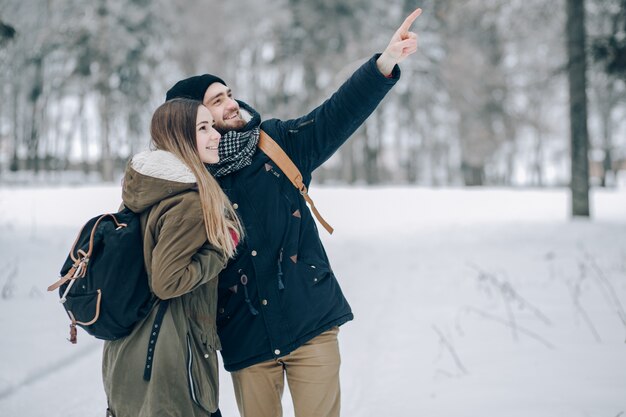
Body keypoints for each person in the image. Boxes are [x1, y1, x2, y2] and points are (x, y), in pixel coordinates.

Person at [165, 8, 422, 417]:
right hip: (245, 337)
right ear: (193, 119)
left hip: (311, 323)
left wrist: (384, 64)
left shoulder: (277, 144)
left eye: (229, 94)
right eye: (217, 101)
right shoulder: (184, 184)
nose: (231, 104)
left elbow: (336, 115)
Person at [101, 98, 244, 417]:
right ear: (179, 137)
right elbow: (167, 281)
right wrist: (220, 250)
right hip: (171, 364)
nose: (216, 135)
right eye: (203, 128)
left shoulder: (146, 191)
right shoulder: (188, 202)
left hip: (129, 353)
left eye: (213, 126)